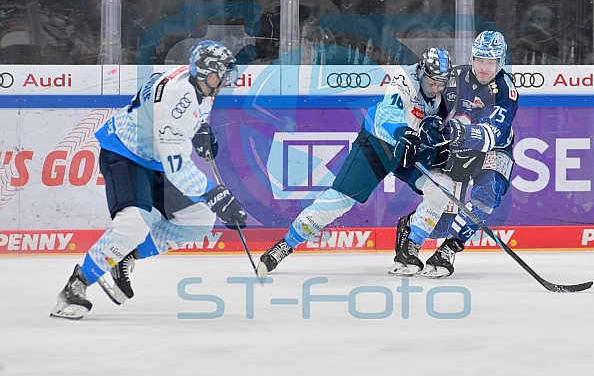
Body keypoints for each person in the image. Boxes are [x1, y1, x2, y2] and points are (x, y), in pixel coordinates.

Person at [50, 41, 248, 320]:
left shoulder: (197, 81)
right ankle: (75, 286)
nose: (230, 80)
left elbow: (196, 110)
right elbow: (177, 166)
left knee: (199, 219)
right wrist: (214, 195)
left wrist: (201, 127)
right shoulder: (178, 102)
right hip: (125, 153)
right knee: (132, 225)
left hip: (153, 157)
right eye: (226, 74)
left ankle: (127, 256)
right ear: (211, 75)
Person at [257, 47, 455, 276]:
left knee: (442, 187)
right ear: (421, 71)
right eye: (432, 82)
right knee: (337, 202)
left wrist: (436, 144)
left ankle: (410, 248)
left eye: (442, 83)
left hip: (407, 152)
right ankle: (285, 245)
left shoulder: (443, 96)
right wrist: (403, 132)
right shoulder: (404, 79)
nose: (436, 88)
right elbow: (387, 115)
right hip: (378, 146)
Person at [394, 30, 518, 278]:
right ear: (472, 58)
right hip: (456, 151)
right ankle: (410, 230)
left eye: (491, 62)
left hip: (493, 150)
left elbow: (492, 134)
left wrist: (461, 130)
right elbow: (429, 104)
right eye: (480, 60)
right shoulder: (454, 77)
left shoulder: (506, 90)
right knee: (441, 224)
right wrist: (426, 128)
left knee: (487, 193)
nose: (484, 67)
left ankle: (448, 250)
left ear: (500, 62)